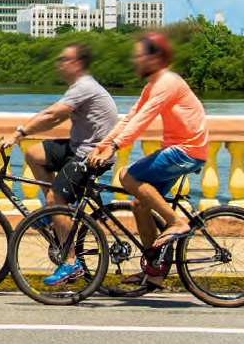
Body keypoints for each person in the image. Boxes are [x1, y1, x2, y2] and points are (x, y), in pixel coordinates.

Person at [87, 31, 208, 287]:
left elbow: (142, 121)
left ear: (155, 58)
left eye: (140, 56)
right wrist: (103, 144)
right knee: (139, 205)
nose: (136, 61)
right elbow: (131, 117)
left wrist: (116, 147)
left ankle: (177, 222)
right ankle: (154, 272)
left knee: (127, 176)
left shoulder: (168, 82)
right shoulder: (152, 86)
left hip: (186, 150)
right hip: (179, 149)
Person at [0, 42, 119, 286]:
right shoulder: (79, 87)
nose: (59, 64)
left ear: (77, 64)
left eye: (64, 59)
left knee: (56, 198)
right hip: (77, 147)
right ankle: (54, 216)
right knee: (34, 154)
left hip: (92, 154)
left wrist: (18, 133)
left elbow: (52, 115)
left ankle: (71, 262)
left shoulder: (84, 87)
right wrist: (27, 136)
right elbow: (53, 121)